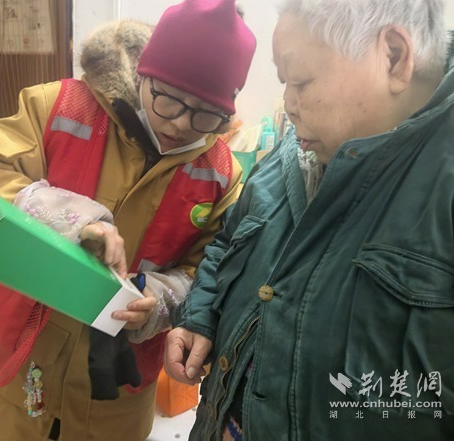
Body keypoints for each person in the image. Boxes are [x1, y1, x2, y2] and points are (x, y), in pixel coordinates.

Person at [0, 0, 256, 440]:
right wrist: (73, 221)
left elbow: (210, 269)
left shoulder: (222, 173)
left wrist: (158, 302)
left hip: (117, 387)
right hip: (26, 351)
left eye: (206, 113)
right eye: (168, 99)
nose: (181, 125)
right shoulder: (60, 105)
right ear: (144, 73)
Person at [165, 0, 454, 440]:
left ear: (394, 57)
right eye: (285, 83)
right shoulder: (291, 155)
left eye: (300, 82)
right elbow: (226, 244)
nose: (288, 104)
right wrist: (199, 316)